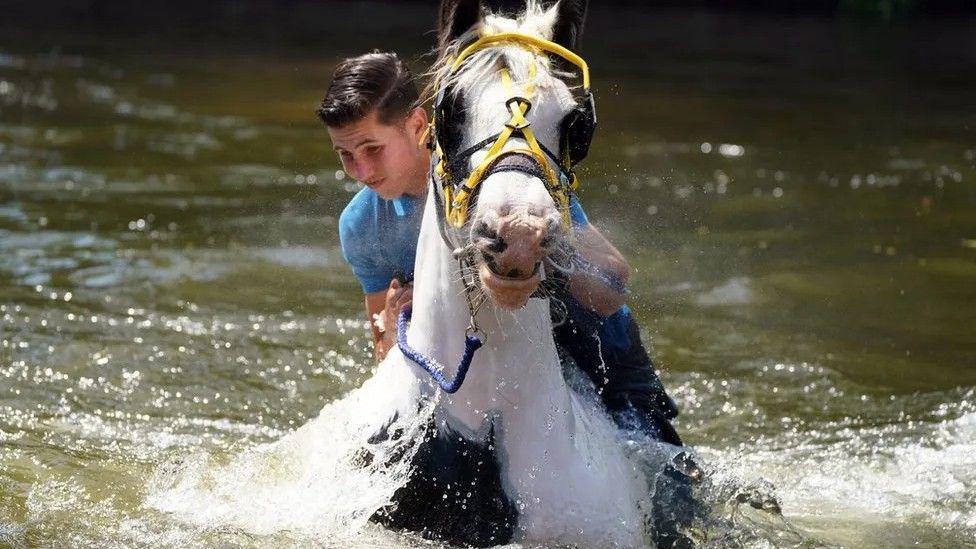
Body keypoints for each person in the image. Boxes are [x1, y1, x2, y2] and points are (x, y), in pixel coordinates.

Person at [317, 51, 681, 445]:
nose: (362, 172)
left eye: (372, 149)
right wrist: (391, 321)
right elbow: (385, 356)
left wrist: (533, 255)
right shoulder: (361, 225)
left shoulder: (498, 176)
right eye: (346, 156)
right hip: (478, 372)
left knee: (659, 469)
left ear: (418, 125)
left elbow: (612, 286)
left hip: (597, 351)